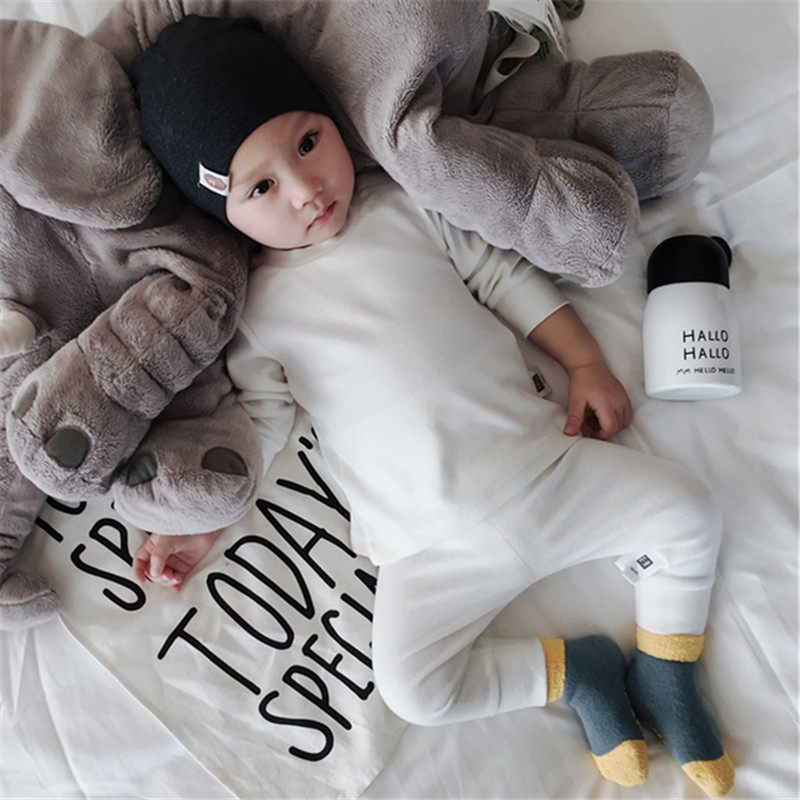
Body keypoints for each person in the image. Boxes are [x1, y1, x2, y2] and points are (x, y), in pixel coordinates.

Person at [129, 16, 734, 798]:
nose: (307, 191)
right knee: (414, 689)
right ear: (223, 212)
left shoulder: (405, 205)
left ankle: (667, 672)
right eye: (262, 188)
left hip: (547, 469)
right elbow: (264, 422)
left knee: (690, 513)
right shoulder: (255, 311)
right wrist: (200, 523)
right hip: (429, 550)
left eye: (309, 142)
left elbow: (502, 277)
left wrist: (584, 362)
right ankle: (573, 673)